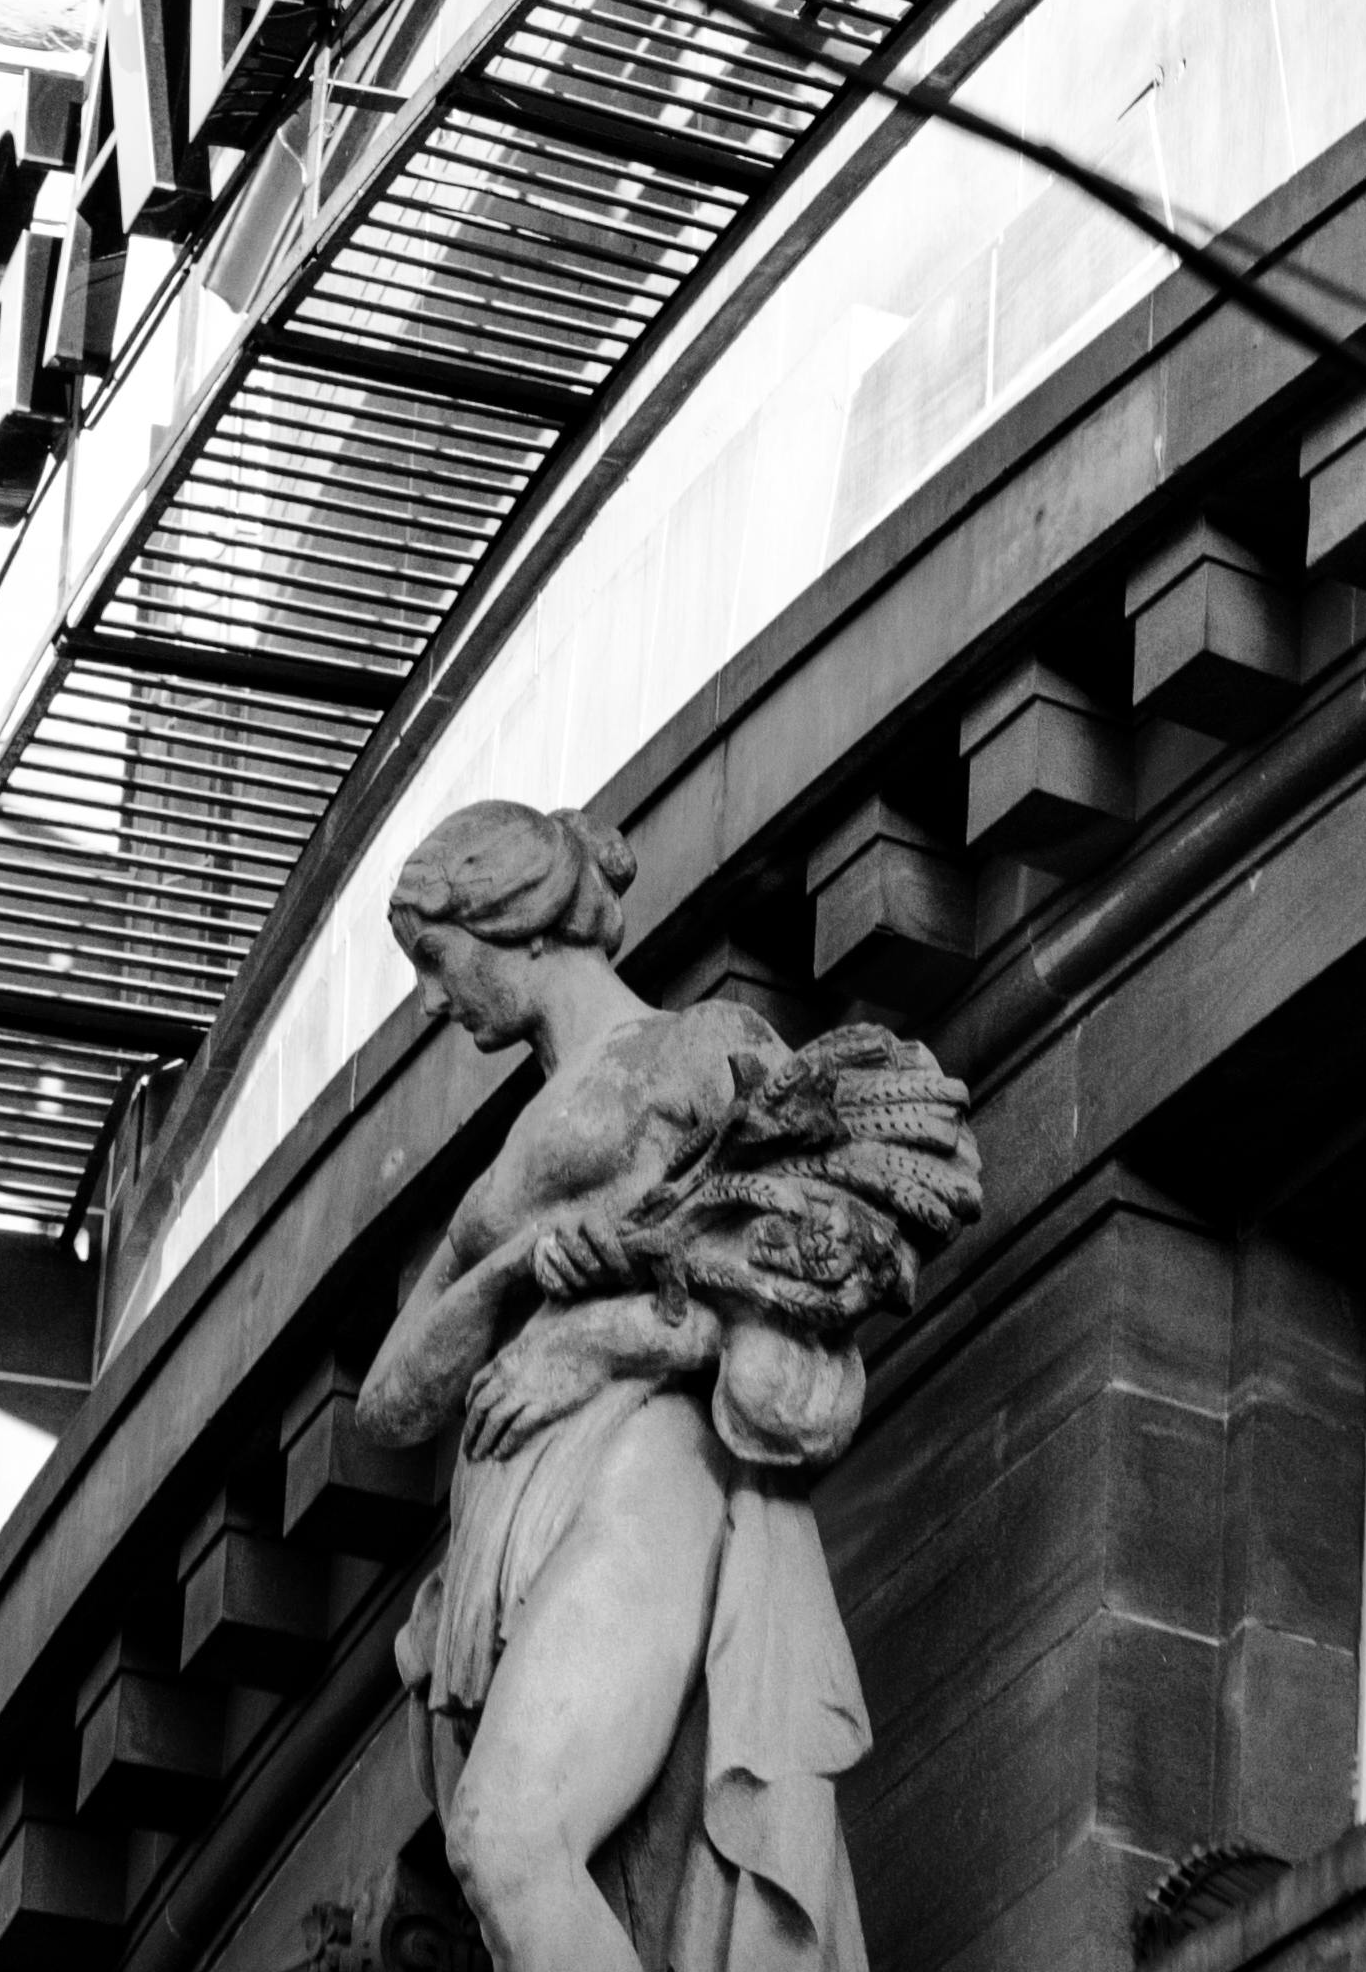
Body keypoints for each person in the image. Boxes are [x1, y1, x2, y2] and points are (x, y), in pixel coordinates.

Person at [356, 802, 965, 1972]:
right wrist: (519, 1265)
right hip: (511, 1524)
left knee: (506, 1839)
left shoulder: (694, 1045)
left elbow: (819, 1263)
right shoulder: (497, 1176)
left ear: (512, 916)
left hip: (642, 1466)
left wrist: (616, 1335)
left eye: (436, 959)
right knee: (580, 1886)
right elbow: (390, 1401)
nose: (434, 1000)